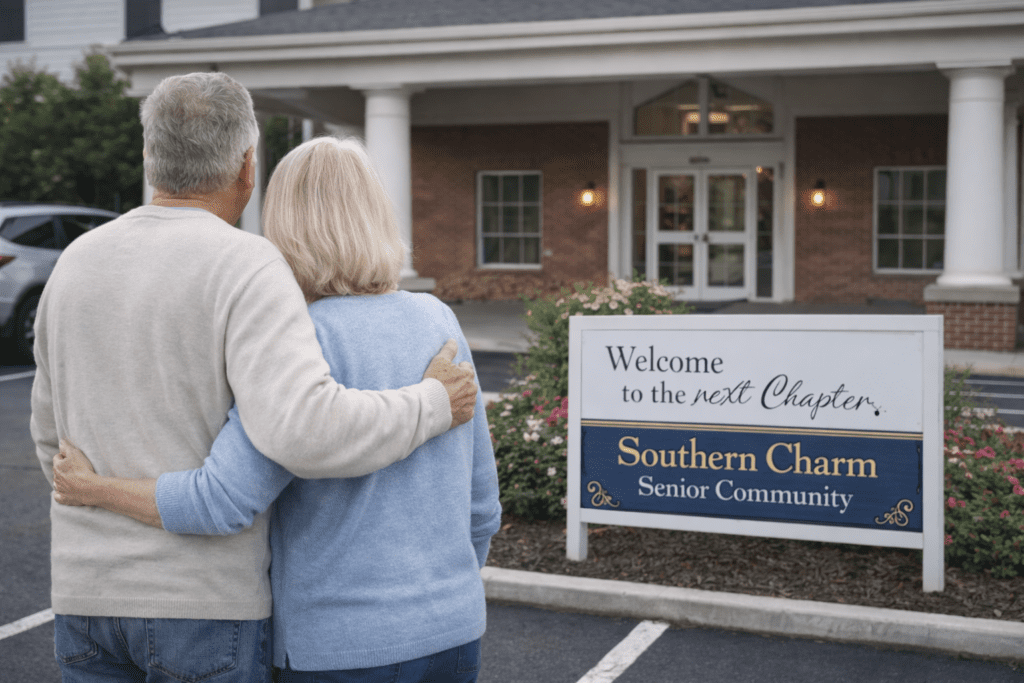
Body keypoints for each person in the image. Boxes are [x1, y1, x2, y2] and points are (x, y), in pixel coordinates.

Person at [31, 72, 477, 683]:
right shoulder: (433, 320)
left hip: (92, 596)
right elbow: (474, 502)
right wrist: (431, 402)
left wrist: (93, 488)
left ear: (148, 155)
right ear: (247, 166)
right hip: (240, 608)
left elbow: (52, 439)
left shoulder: (75, 261)